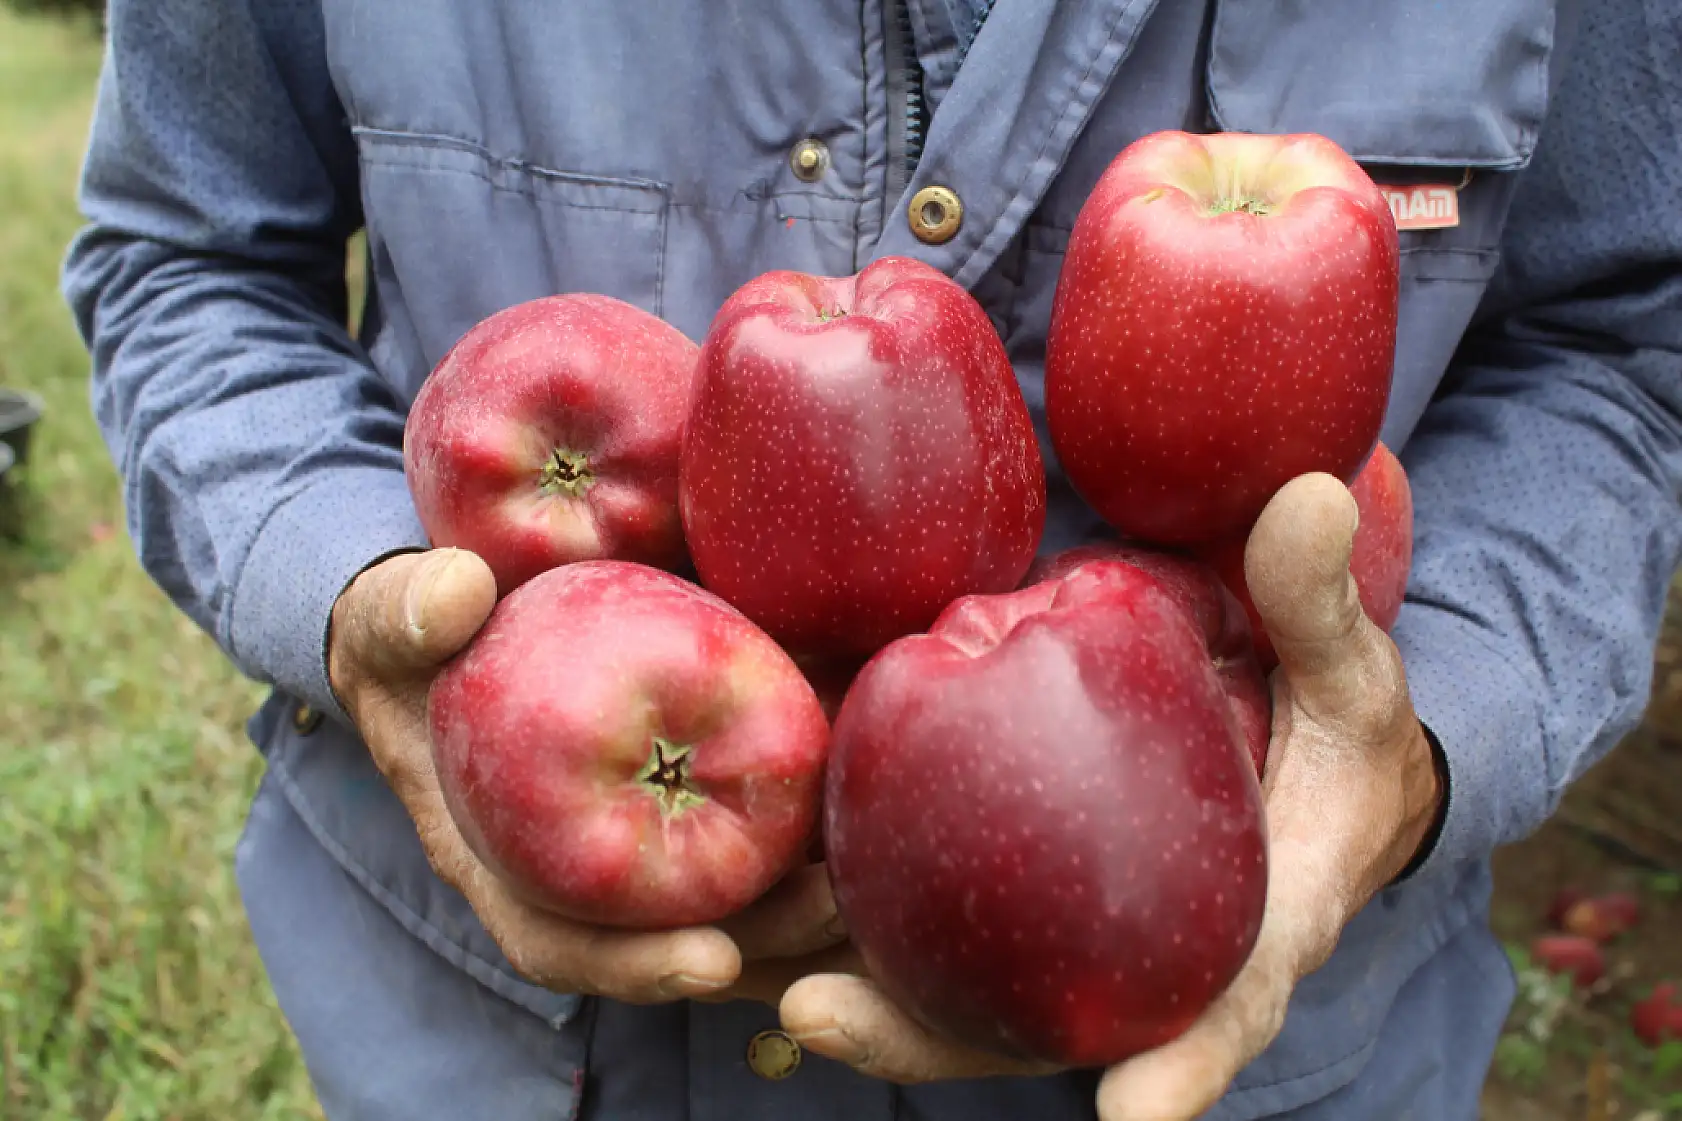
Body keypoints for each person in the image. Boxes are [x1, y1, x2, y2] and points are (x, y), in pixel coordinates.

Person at [61, 0, 1680, 1117]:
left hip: (1281, 1048)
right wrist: (359, 602)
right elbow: (182, 260)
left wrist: (1414, 737)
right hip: (493, 1044)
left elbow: (1617, 345)